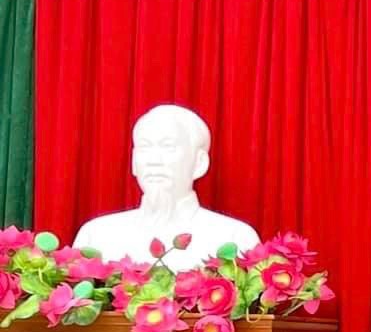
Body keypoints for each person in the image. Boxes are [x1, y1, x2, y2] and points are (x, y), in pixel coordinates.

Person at [72, 104, 259, 268]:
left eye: (168, 147)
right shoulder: (97, 236)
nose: (153, 160)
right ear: (134, 162)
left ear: (199, 163)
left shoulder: (236, 238)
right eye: (144, 147)